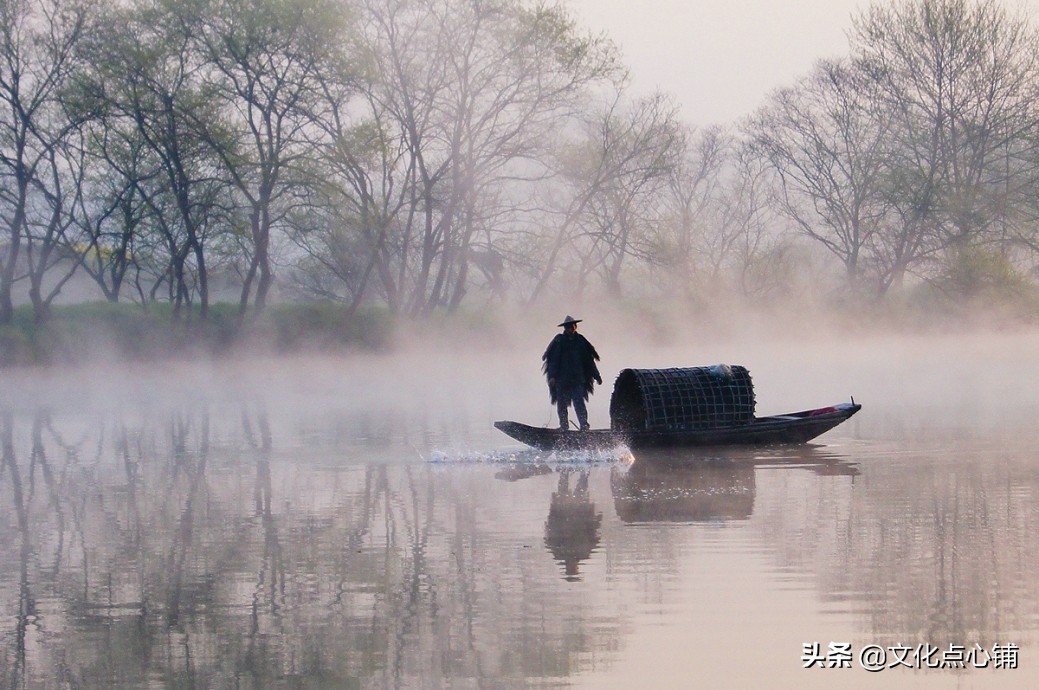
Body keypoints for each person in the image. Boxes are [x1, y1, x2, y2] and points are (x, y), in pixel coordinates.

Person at [542, 315, 602, 431]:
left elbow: (589, 361)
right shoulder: (559, 341)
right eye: (567, 327)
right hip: (561, 380)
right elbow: (553, 360)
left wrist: (596, 376)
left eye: (571, 326)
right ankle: (564, 426)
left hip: (577, 379)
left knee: (579, 403)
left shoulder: (581, 341)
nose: (569, 329)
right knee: (561, 405)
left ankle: (584, 426)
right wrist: (553, 376)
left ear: (575, 326)